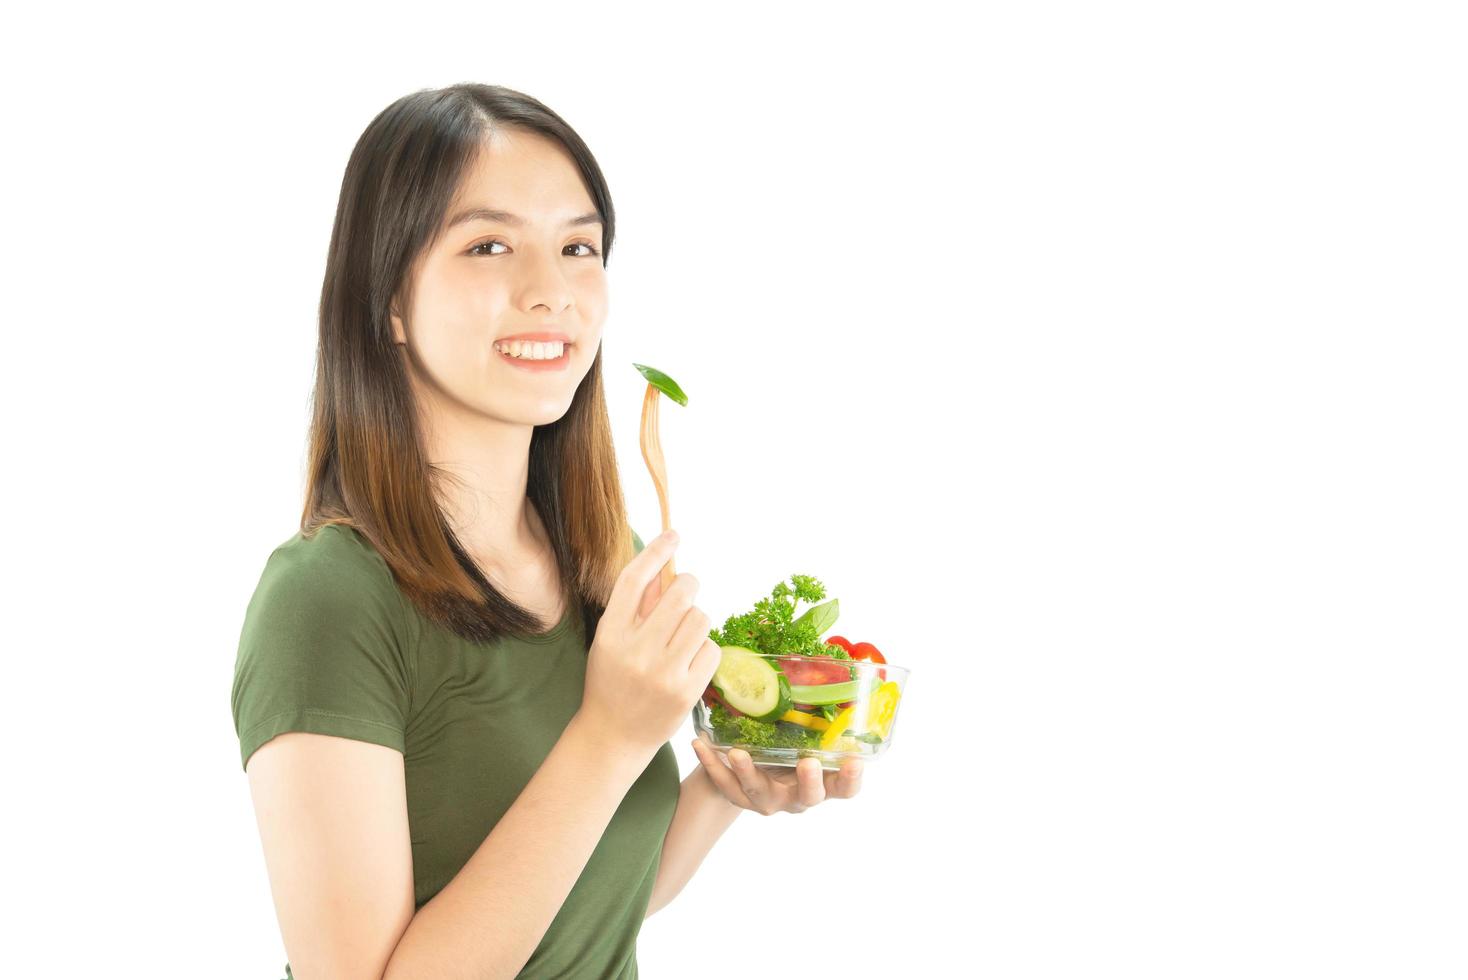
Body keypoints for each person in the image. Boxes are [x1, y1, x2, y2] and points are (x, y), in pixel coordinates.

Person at [231, 83, 862, 980]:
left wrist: (723, 788)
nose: (551, 292)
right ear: (389, 303)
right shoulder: (326, 599)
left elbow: (587, 909)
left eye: (578, 247)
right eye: (489, 246)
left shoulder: (607, 561)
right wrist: (608, 738)